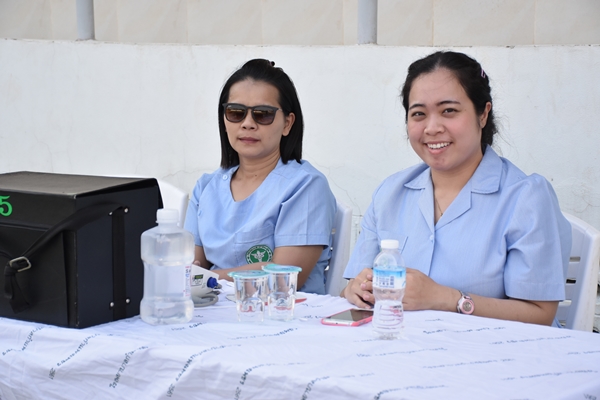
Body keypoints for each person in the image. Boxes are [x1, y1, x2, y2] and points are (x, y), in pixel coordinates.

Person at [342, 51, 571, 327]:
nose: (432, 128)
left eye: (448, 110)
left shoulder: (526, 197)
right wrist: (355, 290)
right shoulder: (390, 193)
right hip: (403, 344)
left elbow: (540, 314)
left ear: (483, 114)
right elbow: (351, 289)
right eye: (418, 114)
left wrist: (446, 298)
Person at [184, 59, 336, 295]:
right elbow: (190, 266)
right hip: (211, 309)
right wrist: (196, 276)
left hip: (286, 313)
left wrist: (208, 278)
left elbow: (284, 278)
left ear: (287, 123)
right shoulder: (206, 187)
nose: (247, 124)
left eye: (263, 114)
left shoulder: (306, 185)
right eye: (236, 112)